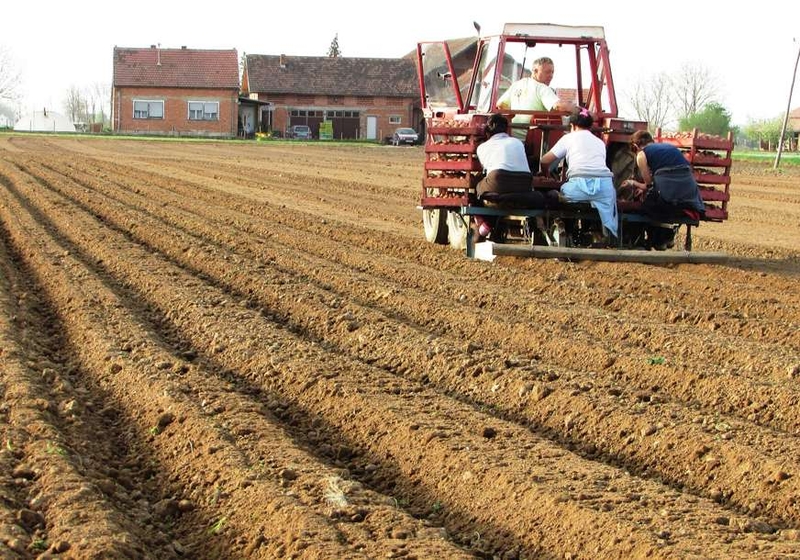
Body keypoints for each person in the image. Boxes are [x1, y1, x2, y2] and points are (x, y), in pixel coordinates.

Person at [539, 106, 618, 240]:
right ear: (590, 125)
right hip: (605, 189)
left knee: (555, 196)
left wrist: (546, 173)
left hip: (578, 188)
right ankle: (605, 234)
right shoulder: (600, 143)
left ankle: (562, 227)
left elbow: (545, 160)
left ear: (572, 125)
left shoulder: (569, 138)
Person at [622, 130, 705, 249]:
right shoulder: (670, 147)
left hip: (669, 193)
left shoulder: (641, 154)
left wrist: (633, 183)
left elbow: (649, 184)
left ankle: (659, 239)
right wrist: (645, 188)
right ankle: (666, 238)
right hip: (690, 194)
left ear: (635, 146)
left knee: (646, 208)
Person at [474, 113, 544, 237]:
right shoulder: (518, 143)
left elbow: (486, 169)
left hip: (498, 184)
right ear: (506, 129)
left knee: (478, 187)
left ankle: (484, 225)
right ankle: (487, 225)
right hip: (524, 186)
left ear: (487, 132)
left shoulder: (482, 147)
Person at [496, 57, 575, 140]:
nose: (551, 76)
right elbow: (558, 106)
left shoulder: (516, 85)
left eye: (552, 72)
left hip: (513, 138)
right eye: (547, 72)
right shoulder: (542, 88)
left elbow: (500, 104)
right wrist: (581, 111)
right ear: (535, 71)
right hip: (532, 143)